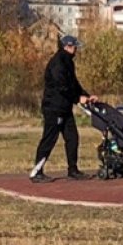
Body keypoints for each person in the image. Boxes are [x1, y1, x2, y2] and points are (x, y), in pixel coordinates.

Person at [30, 35, 95, 182]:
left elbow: (73, 84)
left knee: (72, 138)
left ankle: (73, 170)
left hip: (65, 109)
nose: (76, 49)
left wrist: (86, 96)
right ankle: (37, 172)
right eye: (74, 46)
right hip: (54, 108)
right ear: (66, 47)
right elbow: (62, 87)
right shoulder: (57, 63)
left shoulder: (68, 63)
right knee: (49, 139)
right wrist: (77, 99)